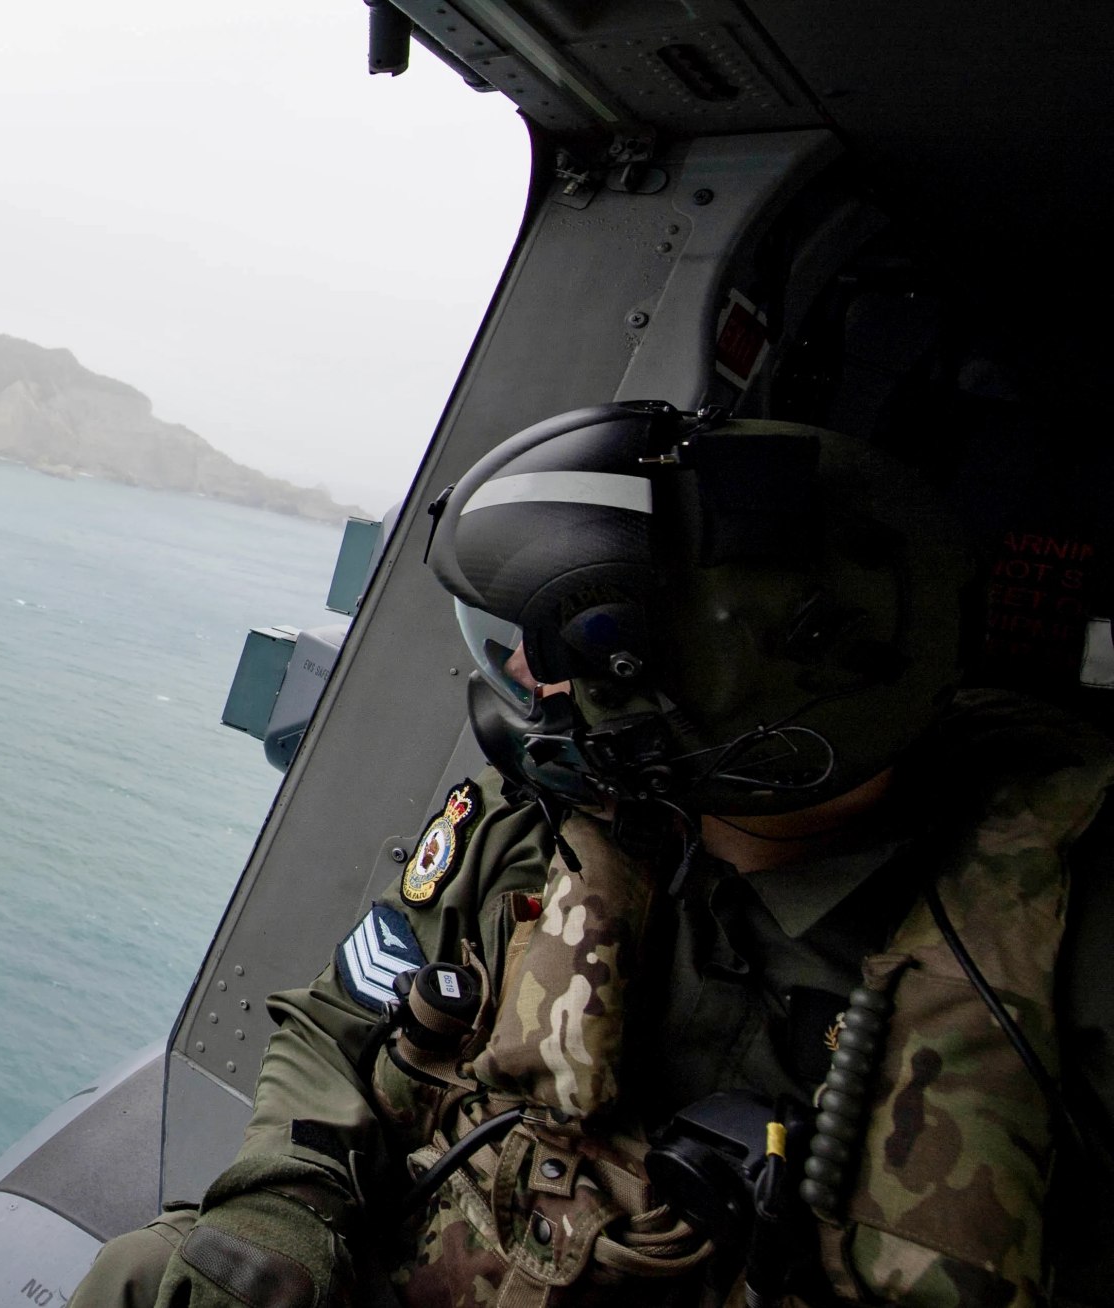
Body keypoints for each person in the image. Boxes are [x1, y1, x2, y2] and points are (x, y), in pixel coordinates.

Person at [72, 403, 1114, 1308]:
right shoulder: (532, 828)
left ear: (767, 699)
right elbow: (340, 1027)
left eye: (599, 638)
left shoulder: (1059, 941)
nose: (526, 673)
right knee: (144, 1278)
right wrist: (282, 1212)